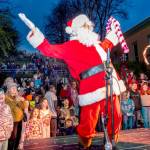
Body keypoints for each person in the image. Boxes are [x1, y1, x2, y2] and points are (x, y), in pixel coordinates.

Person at [20, 13, 126, 148]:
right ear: (77, 29)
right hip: (90, 88)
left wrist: (113, 30)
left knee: (116, 115)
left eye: (88, 26)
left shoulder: (97, 44)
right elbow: (50, 50)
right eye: (84, 26)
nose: (87, 28)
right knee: (88, 121)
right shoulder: (70, 46)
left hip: (110, 83)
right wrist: (35, 32)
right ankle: (85, 142)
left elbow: (108, 43)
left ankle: (111, 139)